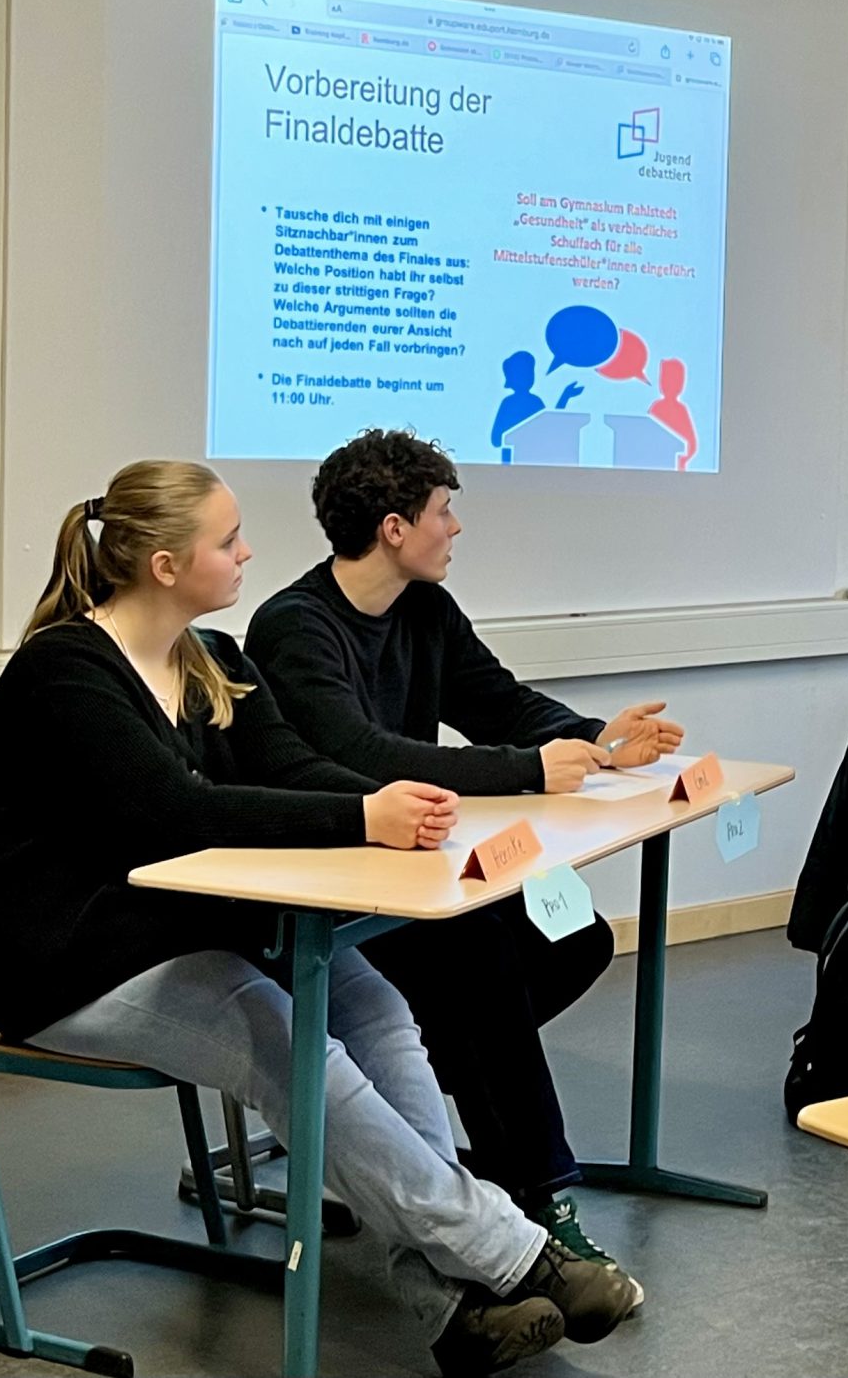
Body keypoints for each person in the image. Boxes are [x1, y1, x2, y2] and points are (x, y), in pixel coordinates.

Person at [0, 462, 636, 1376]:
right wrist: (361, 816)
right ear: (165, 565)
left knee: (379, 1009)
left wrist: (389, 809)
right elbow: (178, 813)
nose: (248, 552)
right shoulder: (65, 670)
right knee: (291, 1046)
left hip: (194, 934)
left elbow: (286, 766)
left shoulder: (213, 658)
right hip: (73, 965)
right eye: (227, 539)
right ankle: (515, 1254)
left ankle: (451, 1305)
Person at [246, 429, 682, 1285]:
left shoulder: (426, 610)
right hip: (330, 887)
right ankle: (540, 1193)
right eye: (444, 511)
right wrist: (529, 768)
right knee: (479, 961)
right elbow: (362, 753)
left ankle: (398, 1118)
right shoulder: (294, 626)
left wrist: (598, 739)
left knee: (576, 937)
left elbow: (500, 701)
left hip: (415, 868)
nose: (455, 527)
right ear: (394, 528)